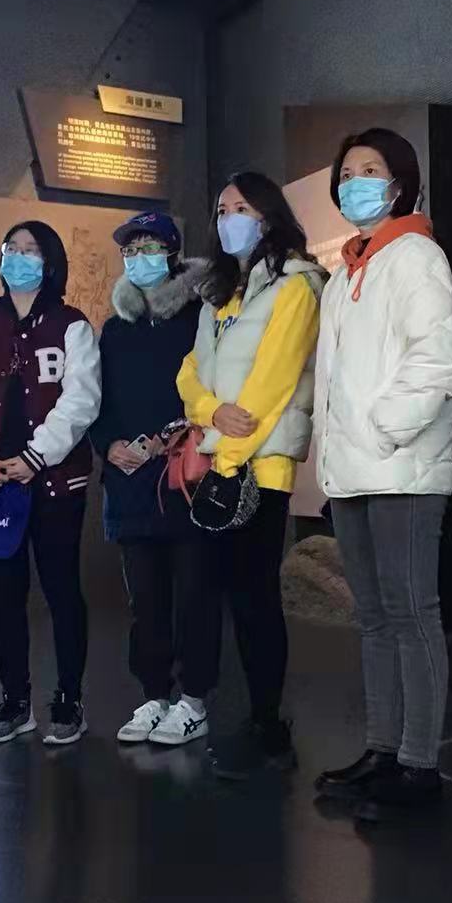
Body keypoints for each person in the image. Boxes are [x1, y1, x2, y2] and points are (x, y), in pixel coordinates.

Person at [311, 128, 452, 816]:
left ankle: (419, 765)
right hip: (351, 470)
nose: (356, 182)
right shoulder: (345, 274)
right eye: (347, 173)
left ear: (400, 184)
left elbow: (440, 357)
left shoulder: (415, 256)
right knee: (374, 617)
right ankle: (383, 750)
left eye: (370, 170)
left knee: (411, 613)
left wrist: (384, 428)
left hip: (401, 467)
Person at [177, 173, 327, 779]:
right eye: (221, 209)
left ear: (268, 215)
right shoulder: (219, 294)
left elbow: (274, 382)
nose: (229, 218)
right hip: (221, 460)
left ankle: (268, 725)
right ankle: (241, 716)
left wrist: (226, 454)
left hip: (258, 469)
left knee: (255, 598)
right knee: (217, 594)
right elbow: (190, 372)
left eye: (240, 207)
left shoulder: (297, 283)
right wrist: (210, 413)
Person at [0, 221, 102, 747]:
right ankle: (15, 700)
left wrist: (37, 456)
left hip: (55, 482)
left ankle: (69, 699)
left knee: (61, 590)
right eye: (11, 248)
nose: (19, 256)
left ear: (50, 261)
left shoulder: (71, 325)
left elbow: (81, 399)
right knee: (5, 594)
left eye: (31, 250)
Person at [89, 211, 218, 748]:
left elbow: (213, 385)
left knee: (194, 594)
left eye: (148, 247)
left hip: (185, 474)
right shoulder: (115, 329)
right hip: (129, 481)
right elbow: (98, 400)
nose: (138, 258)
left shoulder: (200, 315)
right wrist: (109, 444)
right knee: (144, 599)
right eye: (130, 250)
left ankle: (194, 701)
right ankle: (153, 695)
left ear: (171, 252)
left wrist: (172, 436)